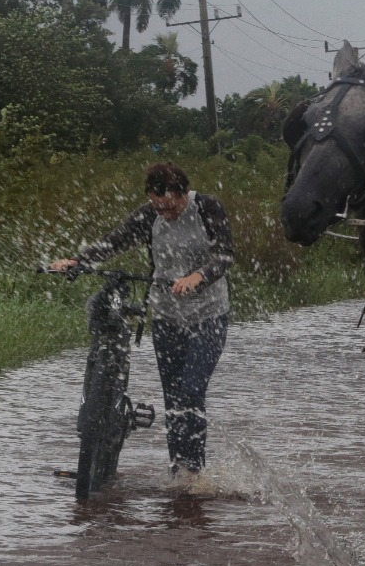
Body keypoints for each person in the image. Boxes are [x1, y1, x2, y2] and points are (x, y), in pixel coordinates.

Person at [49, 162, 233, 475]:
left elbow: (225, 255)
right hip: (166, 316)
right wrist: (77, 261)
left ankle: (194, 468)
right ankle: (179, 469)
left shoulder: (207, 207)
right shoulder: (148, 214)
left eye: (171, 207)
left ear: (183, 193)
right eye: (159, 207)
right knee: (173, 397)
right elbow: (114, 242)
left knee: (191, 390)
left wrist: (198, 276)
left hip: (209, 315)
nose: (166, 214)